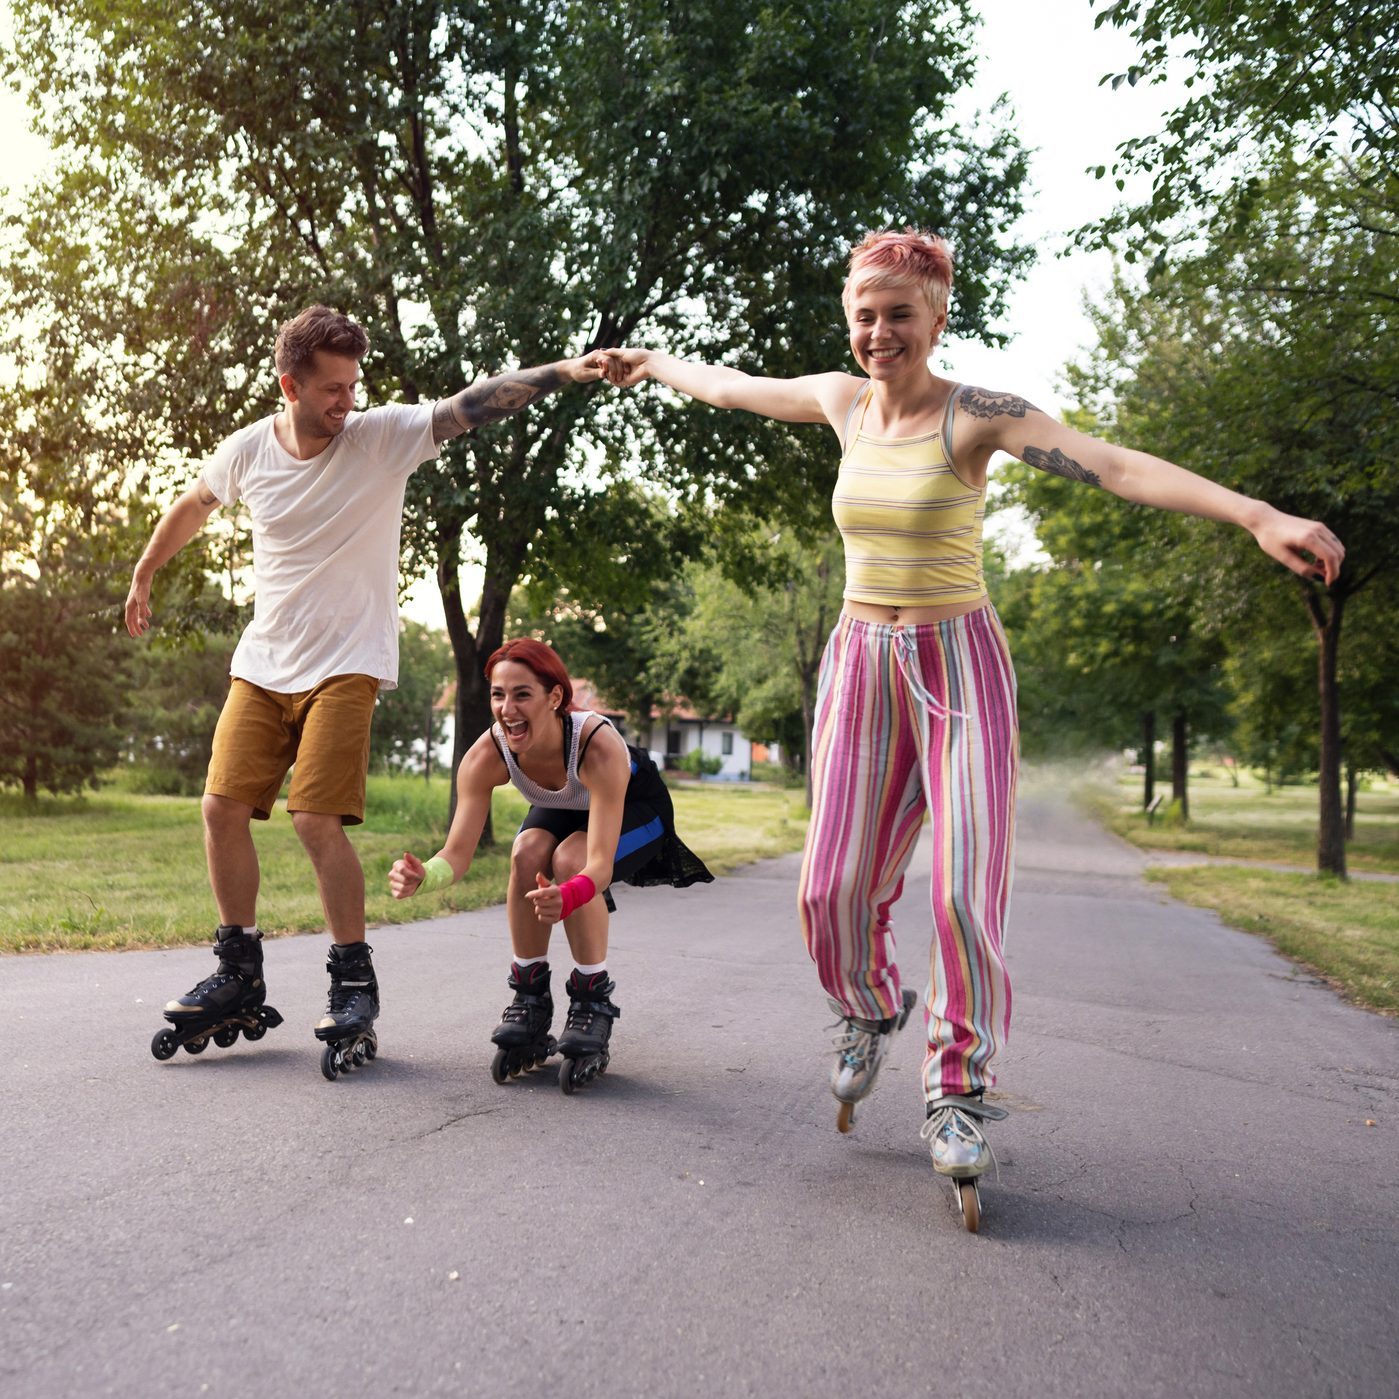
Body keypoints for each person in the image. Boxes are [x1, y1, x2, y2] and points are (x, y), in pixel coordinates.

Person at [600, 230, 1345, 1225]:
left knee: (961, 888)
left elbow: (1112, 464)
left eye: (898, 314)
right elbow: (732, 386)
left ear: (938, 314)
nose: (878, 332)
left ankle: (955, 1086)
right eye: (863, 314)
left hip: (959, 667)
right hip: (861, 664)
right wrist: (649, 364)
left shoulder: (977, 416)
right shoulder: (841, 403)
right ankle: (866, 1004)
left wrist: (1254, 514)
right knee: (827, 886)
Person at [126, 304, 609, 1076]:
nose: (347, 401)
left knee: (315, 817)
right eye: (331, 389)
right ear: (290, 384)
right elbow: (194, 503)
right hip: (264, 661)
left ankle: (352, 977)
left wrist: (565, 372)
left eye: (354, 385)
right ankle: (239, 967)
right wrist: (148, 568)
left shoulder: (380, 438)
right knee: (219, 807)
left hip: (347, 663)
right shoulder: (250, 450)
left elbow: (472, 404)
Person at [388, 637, 712, 1092]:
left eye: (522, 694)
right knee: (526, 853)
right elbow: (457, 853)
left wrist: (571, 892)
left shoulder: (596, 746)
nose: (507, 708)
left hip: (637, 809)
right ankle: (530, 998)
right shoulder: (487, 754)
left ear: (554, 697)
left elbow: (596, 864)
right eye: (499, 695)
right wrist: (426, 874)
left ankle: (591, 1001)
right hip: (566, 805)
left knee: (571, 859)